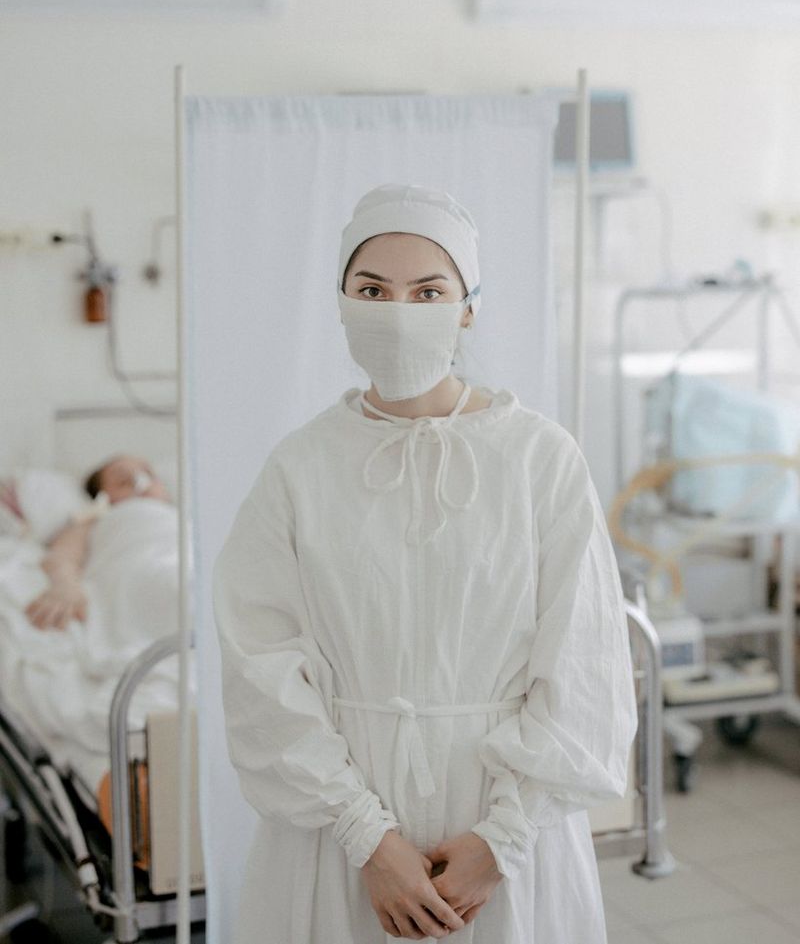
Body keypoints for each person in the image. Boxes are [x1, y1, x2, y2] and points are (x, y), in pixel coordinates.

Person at [212, 183, 639, 943]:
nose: (399, 311)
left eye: (428, 290)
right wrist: (365, 838)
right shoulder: (301, 467)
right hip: (338, 838)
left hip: (504, 834)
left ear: (468, 305)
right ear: (341, 300)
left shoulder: (539, 458)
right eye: (373, 289)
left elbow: (585, 668)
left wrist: (499, 840)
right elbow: (260, 666)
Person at [24, 455, 169, 631]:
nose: (139, 482)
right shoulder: (95, 518)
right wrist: (65, 585)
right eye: (123, 481)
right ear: (101, 496)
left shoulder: (186, 522)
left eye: (148, 474)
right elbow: (62, 556)